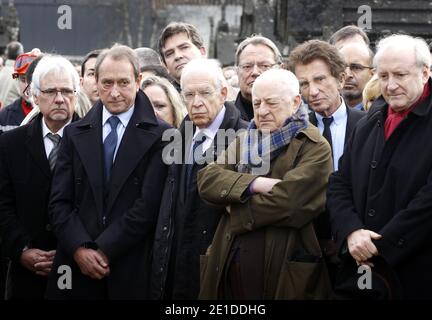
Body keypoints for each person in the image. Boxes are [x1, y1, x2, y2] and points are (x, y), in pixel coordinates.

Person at [46, 45, 170, 299]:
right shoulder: (74, 133)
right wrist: (80, 248)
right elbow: (59, 202)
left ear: (138, 81)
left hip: (129, 267)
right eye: (107, 83)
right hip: (74, 266)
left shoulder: (162, 135)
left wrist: (102, 250)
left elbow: (148, 206)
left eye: (123, 83)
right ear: (95, 82)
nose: (114, 93)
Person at [197, 69, 333, 299]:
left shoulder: (314, 145)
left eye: (271, 103)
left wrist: (234, 206)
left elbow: (292, 203)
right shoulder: (245, 139)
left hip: (281, 268)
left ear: (295, 102)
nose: (261, 111)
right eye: (257, 102)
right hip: (228, 262)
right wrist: (255, 184)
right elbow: (207, 180)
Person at [327, 34, 432, 299]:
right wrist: (351, 231)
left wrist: (377, 248)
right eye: (383, 76)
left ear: (425, 73)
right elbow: (340, 183)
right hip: (358, 273)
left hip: (415, 275)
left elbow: (427, 204)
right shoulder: (368, 121)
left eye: (400, 74)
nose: (391, 85)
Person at [151, 59, 247, 300]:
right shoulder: (176, 138)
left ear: (224, 93)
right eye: (189, 94)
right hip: (174, 263)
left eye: (205, 93)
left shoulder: (247, 137)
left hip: (220, 263)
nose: (197, 102)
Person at [0, 55, 80, 299]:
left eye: (67, 91)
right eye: (50, 91)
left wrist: (74, 249)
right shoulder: (10, 144)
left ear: (76, 95)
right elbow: (3, 204)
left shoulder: (94, 143)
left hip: (77, 270)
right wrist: (22, 249)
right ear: (35, 96)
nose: (59, 99)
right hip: (25, 276)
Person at [287, 39, 365, 284]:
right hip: (306, 253)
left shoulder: (368, 125)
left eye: (319, 79)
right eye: (304, 84)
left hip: (357, 251)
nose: (312, 91)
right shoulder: (291, 132)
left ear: (341, 79)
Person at [234, 35, 282, 121]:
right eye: (247, 66)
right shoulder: (221, 117)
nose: (255, 72)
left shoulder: (293, 116)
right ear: (237, 71)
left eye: (264, 66)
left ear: (280, 69)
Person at [0, 50, 40, 133]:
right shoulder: (5, 115)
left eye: (32, 79)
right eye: (23, 80)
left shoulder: (54, 114)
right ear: (17, 80)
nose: (27, 86)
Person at [158, 22, 206, 91]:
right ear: (165, 66)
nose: (177, 56)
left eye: (184, 47)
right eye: (169, 53)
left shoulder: (223, 92)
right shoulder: (161, 99)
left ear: (202, 52)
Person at [339, 43, 374, 110]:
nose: (347, 75)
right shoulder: (321, 112)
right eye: (341, 67)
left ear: (372, 73)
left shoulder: (384, 114)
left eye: (356, 68)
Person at [0, 41, 24, 108]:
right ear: (21, 54)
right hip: (12, 115)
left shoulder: (1, 71)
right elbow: (27, 98)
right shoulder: (20, 76)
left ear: (7, 54)